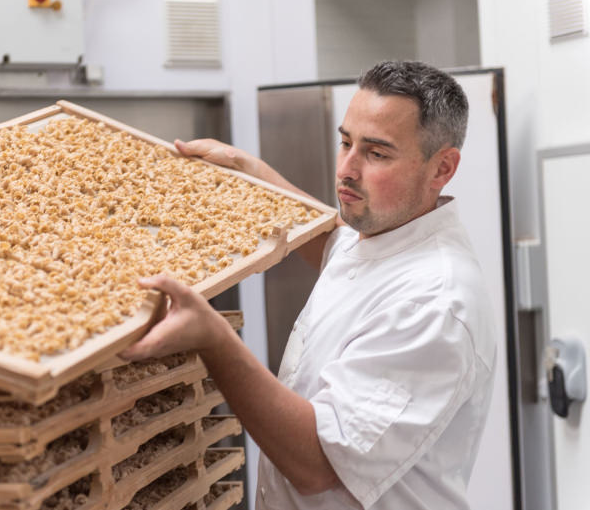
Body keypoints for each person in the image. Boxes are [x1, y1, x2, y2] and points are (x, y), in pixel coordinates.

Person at [120, 60, 496, 510]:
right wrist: (247, 169)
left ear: (442, 169)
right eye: (345, 142)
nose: (347, 169)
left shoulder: (434, 302)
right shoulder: (384, 237)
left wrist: (213, 337)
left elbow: (316, 462)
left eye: (376, 154)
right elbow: (331, 240)